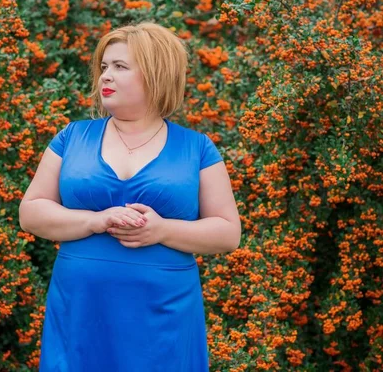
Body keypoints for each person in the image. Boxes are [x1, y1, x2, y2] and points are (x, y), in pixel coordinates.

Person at [18, 21, 241, 372]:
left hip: (164, 315)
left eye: (120, 67)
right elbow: (30, 212)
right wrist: (95, 220)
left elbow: (228, 232)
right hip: (81, 307)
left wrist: (162, 230)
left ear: (156, 75)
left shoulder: (197, 148)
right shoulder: (71, 137)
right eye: (104, 67)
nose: (106, 76)